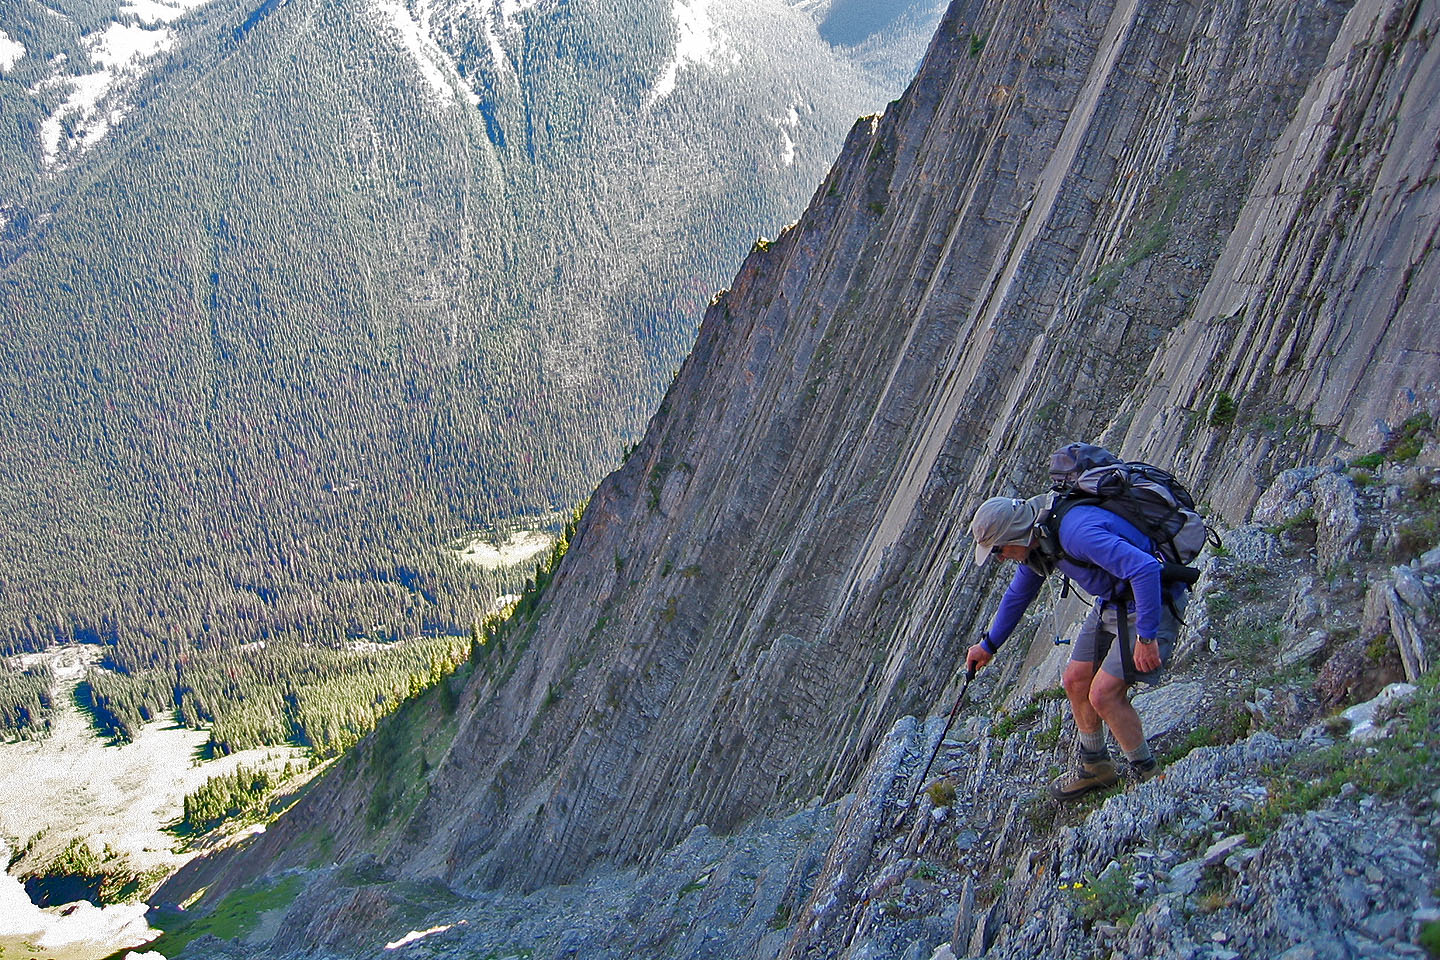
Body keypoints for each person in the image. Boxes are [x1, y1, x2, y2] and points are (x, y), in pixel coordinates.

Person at [963, 494, 1188, 800]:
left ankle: (1148, 778)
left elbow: (1145, 569)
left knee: (1104, 695)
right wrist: (988, 645)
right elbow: (1018, 595)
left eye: (998, 550)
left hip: (1152, 601)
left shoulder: (1075, 533)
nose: (1000, 558)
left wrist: (1146, 638)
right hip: (1114, 602)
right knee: (1075, 680)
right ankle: (1096, 767)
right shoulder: (1041, 541)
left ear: (1012, 535)